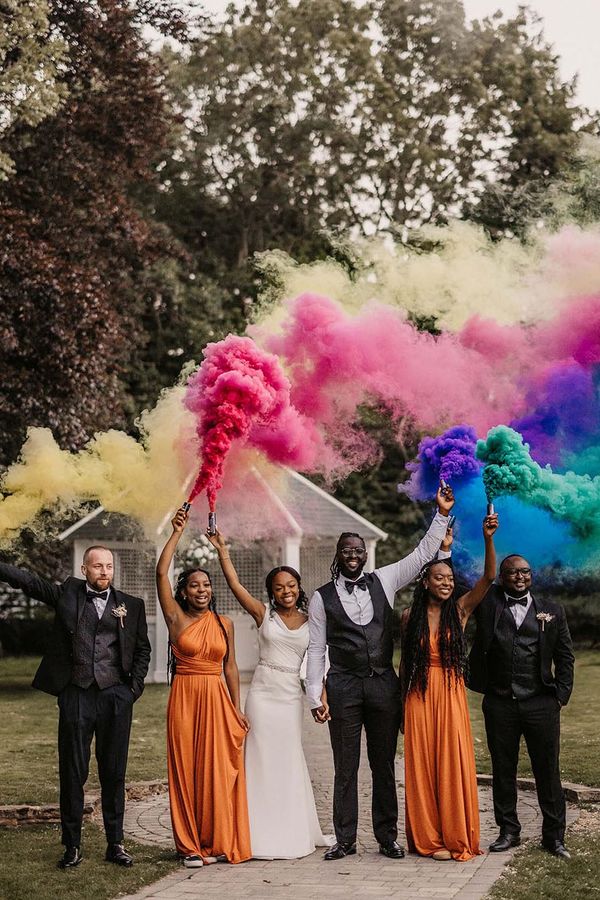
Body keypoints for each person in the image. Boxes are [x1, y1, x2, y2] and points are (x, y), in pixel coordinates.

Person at [306, 485, 455, 861]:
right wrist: (313, 694)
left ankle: (387, 837)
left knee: (384, 764)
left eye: (359, 549)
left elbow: (422, 554)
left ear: (365, 553)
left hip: (383, 687)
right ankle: (345, 839)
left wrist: (440, 514)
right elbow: (315, 647)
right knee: (345, 766)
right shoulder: (321, 597)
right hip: (342, 686)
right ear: (338, 555)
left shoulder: (384, 579)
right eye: (347, 550)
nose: (354, 554)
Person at [0, 547, 151, 869]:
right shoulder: (66, 595)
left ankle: (116, 843)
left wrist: (132, 690)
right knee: (73, 772)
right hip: (77, 695)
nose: (104, 571)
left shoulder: (132, 605)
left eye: (109, 566)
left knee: (114, 773)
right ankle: (72, 846)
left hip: (115, 698)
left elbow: (142, 651)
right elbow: (29, 582)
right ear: (85, 569)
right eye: (97, 566)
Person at [207, 529, 333, 859]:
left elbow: (319, 664)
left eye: (291, 586)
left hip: (291, 695)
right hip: (262, 695)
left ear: (298, 588)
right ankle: (255, 831)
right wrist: (223, 550)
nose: (286, 591)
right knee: (259, 760)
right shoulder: (264, 614)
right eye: (279, 588)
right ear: (272, 593)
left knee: (288, 758)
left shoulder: (312, 621)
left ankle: (291, 830)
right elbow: (235, 586)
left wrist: (321, 699)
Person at [156, 508, 251, 868]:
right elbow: (161, 572)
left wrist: (236, 708)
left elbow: (230, 666)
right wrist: (177, 532)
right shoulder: (175, 617)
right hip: (185, 696)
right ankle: (189, 845)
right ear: (183, 591)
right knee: (186, 769)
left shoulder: (223, 622)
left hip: (216, 698)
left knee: (214, 769)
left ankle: (213, 841)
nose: (202, 590)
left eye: (207, 585)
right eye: (194, 585)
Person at [401, 513, 498, 861]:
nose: (446, 582)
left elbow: (489, 577)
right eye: (439, 577)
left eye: (450, 578)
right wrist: (401, 708)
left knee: (450, 762)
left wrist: (487, 537)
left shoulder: (459, 611)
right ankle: (428, 839)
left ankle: (455, 833)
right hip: (418, 694)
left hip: (451, 691)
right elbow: (405, 665)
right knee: (423, 765)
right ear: (425, 582)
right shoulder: (408, 619)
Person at [467, 551, 575, 859]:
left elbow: (565, 656)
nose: (520, 577)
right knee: (503, 770)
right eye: (513, 573)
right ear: (502, 578)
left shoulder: (552, 611)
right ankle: (508, 831)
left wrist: (560, 695)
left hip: (541, 702)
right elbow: (478, 581)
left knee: (547, 770)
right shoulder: (488, 604)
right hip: (500, 702)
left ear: (531, 575)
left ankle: (554, 837)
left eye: (525, 572)